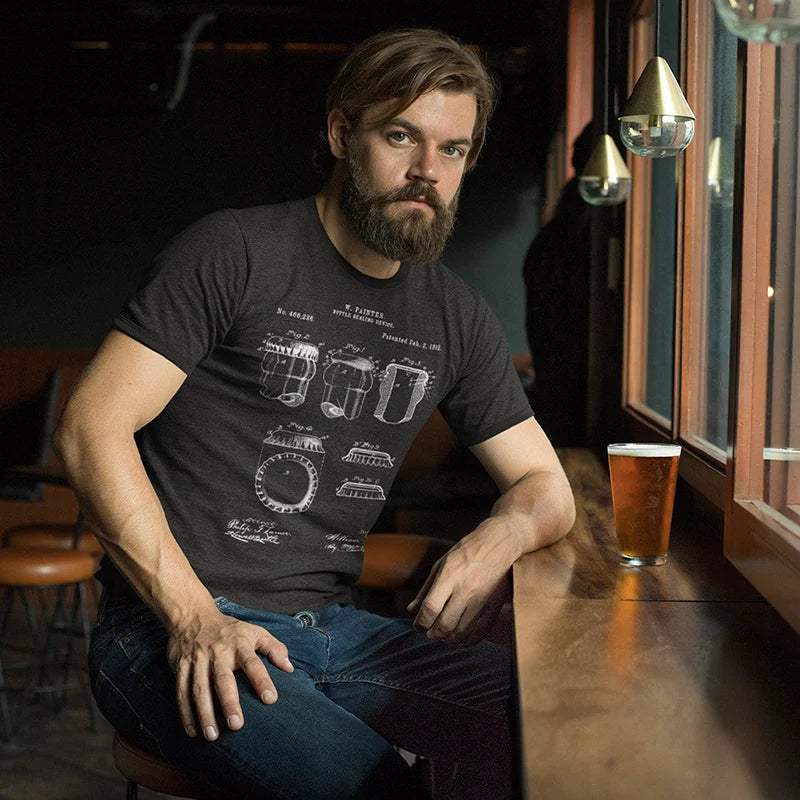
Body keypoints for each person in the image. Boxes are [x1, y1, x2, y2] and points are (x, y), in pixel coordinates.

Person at [54, 27, 575, 799]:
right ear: (341, 134)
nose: (426, 172)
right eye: (401, 136)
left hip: (330, 630)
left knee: (546, 722)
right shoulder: (234, 251)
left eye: (454, 150)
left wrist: (496, 538)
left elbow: (546, 486)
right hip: (164, 630)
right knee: (377, 789)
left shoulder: (454, 317)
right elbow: (87, 428)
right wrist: (195, 618)